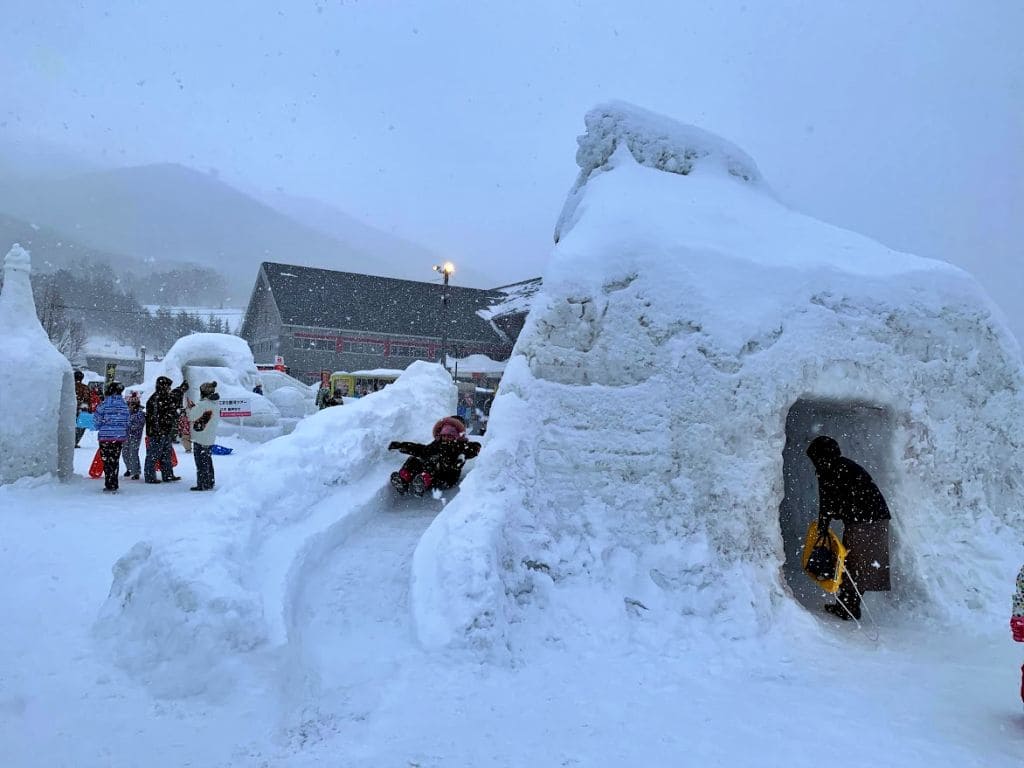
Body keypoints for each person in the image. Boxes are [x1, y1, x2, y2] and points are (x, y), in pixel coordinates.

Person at [806, 435, 891, 621]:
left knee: (854, 564)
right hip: (871, 518)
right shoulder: (842, 466)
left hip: (866, 520)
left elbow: (828, 503)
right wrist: (827, 520)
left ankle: (849, 607)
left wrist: (824, 524)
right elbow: (832, 502)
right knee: (855, 564)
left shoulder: (831, 470)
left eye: (814, 459)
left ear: (820, 457)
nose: (814, 464)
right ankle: (848, 605)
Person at [389, 416, 481, 496]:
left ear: (458, 436)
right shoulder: (437, 445)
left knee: (435, 460)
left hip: (446, 478)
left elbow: (474, 448)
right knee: (414, 460)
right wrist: (401, 446)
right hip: (431, 472)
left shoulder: (461, 447)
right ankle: (403, 480)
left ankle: (422, 483)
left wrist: (467, 453)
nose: (446, 438)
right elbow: (421, 450)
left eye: (450, 436)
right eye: (444, 435)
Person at [144, 375, 188, 484]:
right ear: (163, 386)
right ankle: (150, 477)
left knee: (166, 455)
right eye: (168, 386)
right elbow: (154, 417)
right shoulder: (155, 399)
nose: (169, 389)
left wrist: (180, 389)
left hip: (165, 432)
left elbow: (173, 400)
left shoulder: (165, 397)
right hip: (156, 433)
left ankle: (168, 475)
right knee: (153, 455)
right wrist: (158, 431)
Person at [93, 381, 129, 492]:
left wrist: (101, 426)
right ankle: (114, 482)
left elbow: (96, 420)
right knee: (115, 460)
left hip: (105, 436)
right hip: (118, 437)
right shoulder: (124, 405)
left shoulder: (104, 404)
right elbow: (127, 422)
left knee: (106, 460)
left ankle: (109, 482)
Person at [188, 381, 221, 491]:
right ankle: (209, 481)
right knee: (207, 460)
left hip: (201, 437)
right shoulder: (216, 404)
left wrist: (190, 408)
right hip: (210, 437)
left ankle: (202, 484)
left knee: (200, 462)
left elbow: (192, 416)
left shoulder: (203, 404)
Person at [122, 391, 146, 480]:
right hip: (125, 436)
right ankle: (129, 468)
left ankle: (136, 472)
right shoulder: (126, 412)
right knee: (125, 453)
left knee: (133, 453)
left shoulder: (140, 414)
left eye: (133, 404)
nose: (131, 405)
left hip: (135, 436)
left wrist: (128, 425)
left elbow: (138, 425)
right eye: (129, 403)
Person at [74, 370, 92, 448]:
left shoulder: (70, 386)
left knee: (70, 426)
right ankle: (75, 441)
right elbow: (88, 400)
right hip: (82, 410)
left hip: (71, 409)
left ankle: (69, 441)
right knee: (81, 427)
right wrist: (88, 411)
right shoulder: (85, 388)